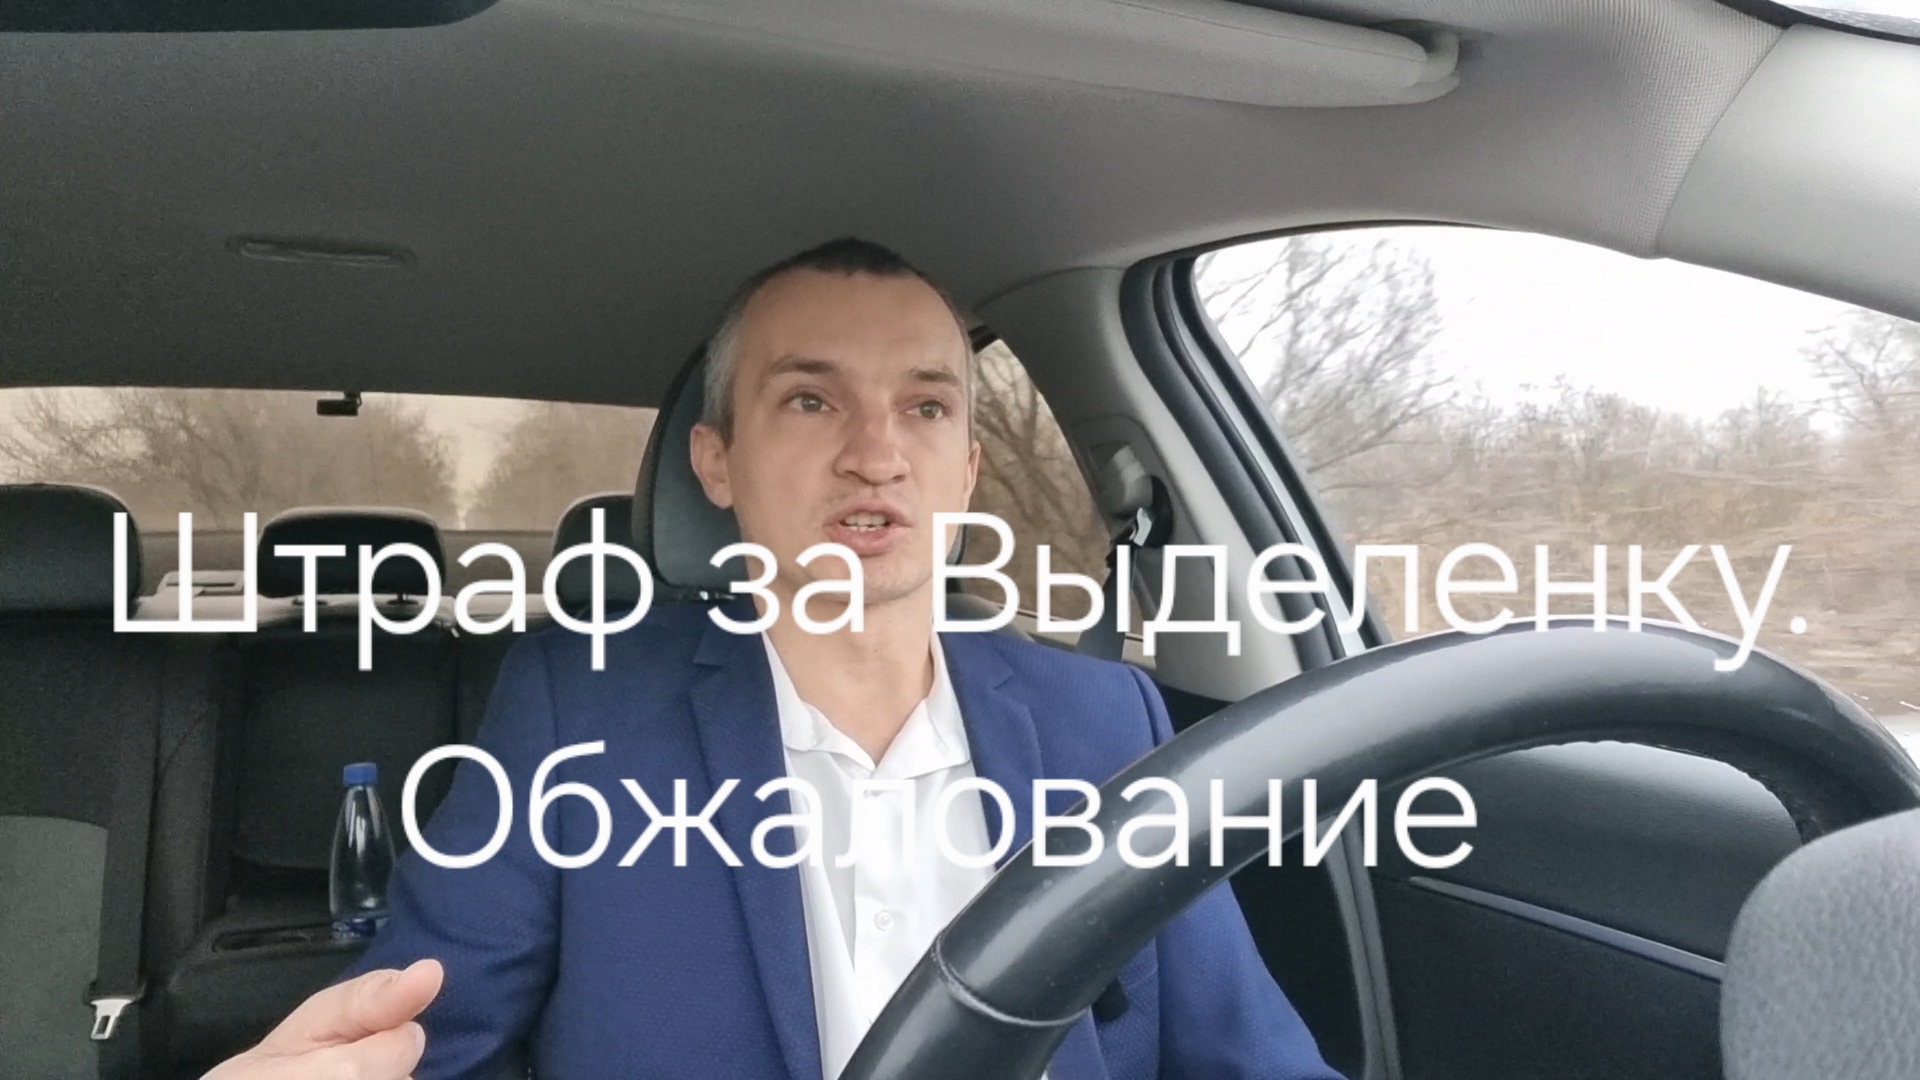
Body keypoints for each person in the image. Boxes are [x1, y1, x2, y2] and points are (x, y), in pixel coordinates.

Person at [206, 238, 1341, 1079]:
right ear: (717, 464)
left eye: (926, 408)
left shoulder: (1108, 722)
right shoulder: (575, 712)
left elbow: (1252, 1061)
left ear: (964, 470)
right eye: (810, 399)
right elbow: (422, 1045)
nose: (876, 454)